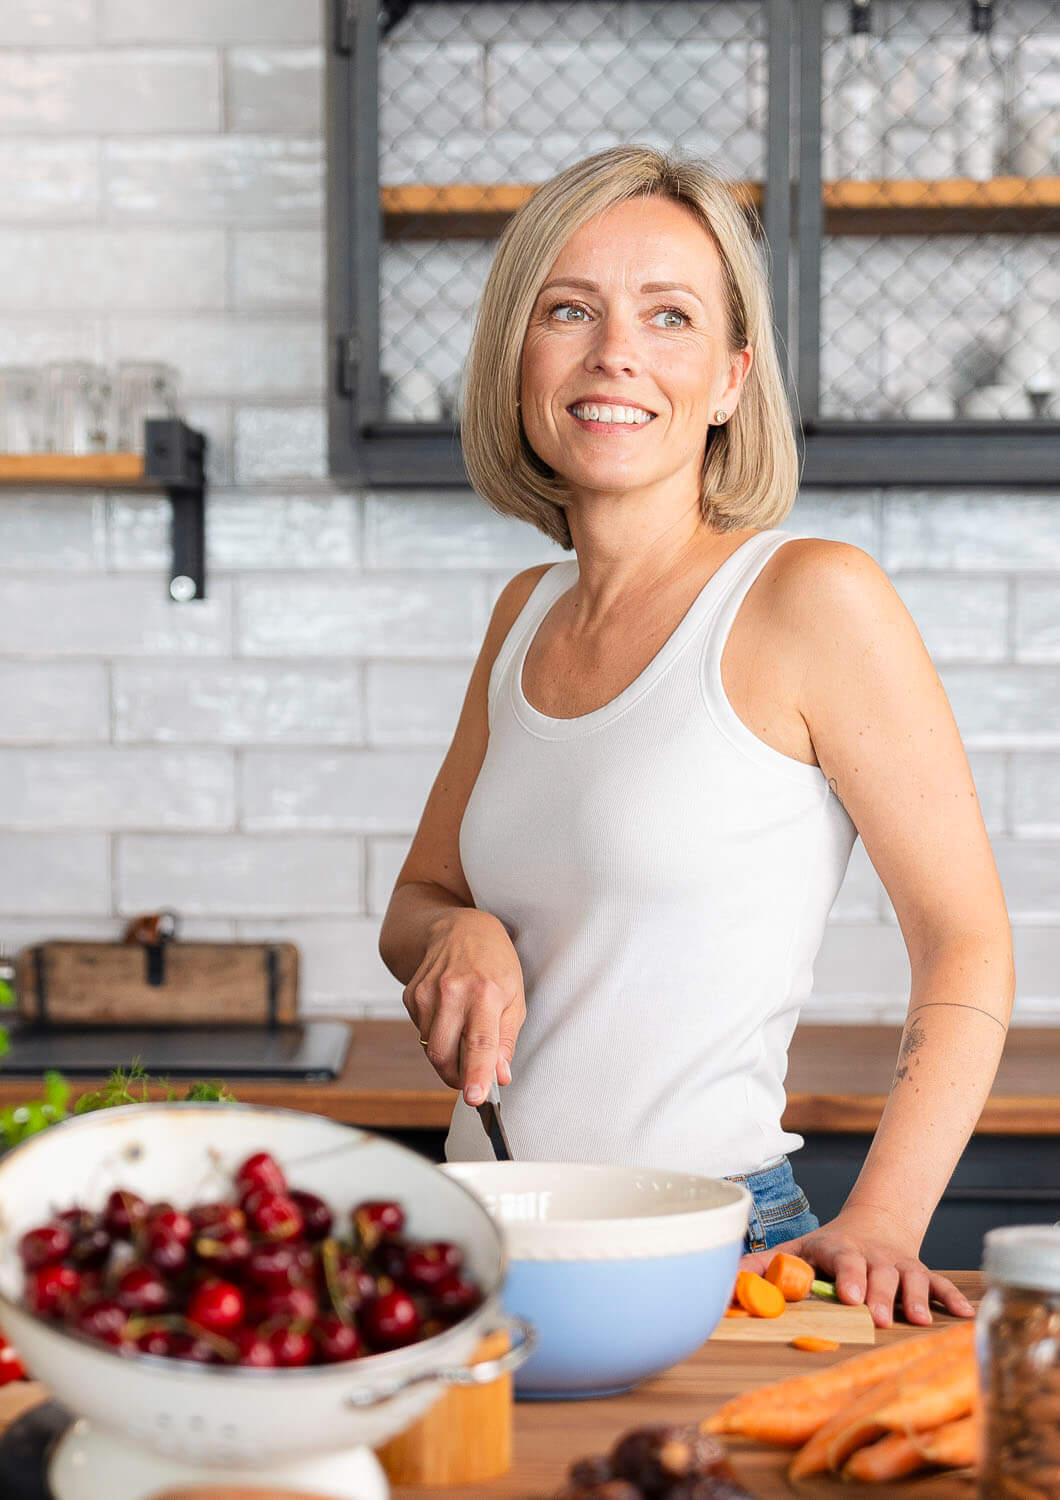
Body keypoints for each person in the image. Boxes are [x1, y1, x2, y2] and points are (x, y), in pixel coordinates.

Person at [379, 146, 1013, 1329]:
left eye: (665, 316)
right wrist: (456, 933)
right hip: (470, 1238)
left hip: (705, 1249)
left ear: (727, 379)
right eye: (567, 310)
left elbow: (966, 939)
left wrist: (882, 1218)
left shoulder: (808, 597)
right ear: (518, 359)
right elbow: (413, 899)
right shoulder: (520, 614)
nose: (612, 351)